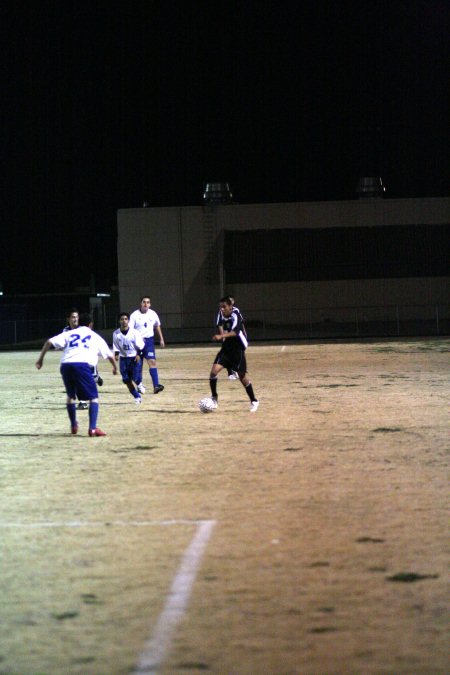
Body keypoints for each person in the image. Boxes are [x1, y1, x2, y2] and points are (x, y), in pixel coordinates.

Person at [35, 312, 117, 436]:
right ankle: (92, 429)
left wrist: (40, 360)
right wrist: (115, 368)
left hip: (66, 365)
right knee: (93, 397)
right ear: (91, 324)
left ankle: (73, 424)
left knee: (70, 396)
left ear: (79, 322)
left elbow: (48, 342)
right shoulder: (94, 336)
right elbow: (110, 355)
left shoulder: (69, 333)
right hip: (81, 365)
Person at [209, 296, 259, 412]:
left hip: (237, 350)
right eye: (220, 307)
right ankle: (214, 398)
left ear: (230, 306)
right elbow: (220, 325)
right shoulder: (221, 315)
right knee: (213, 372)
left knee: (242, 377)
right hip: (226, 349)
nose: (222, 309)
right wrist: (223, 338)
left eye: (224, 306)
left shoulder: (235, 315)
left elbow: (236, 331)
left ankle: (254, 400)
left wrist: (221, 336)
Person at [63, 308, 103, 409]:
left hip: (86, 358)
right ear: (68, 319)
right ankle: (82, 401)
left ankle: (96, 377)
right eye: (72, 317)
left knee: (90, 379)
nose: (75, 319)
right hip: (74, 360)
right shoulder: (66, 330)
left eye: (76, 317)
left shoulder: (83, 329)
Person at [129, 296, 165, 393]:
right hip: (137, 343)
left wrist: (161, 338)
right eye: (144, 302)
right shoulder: (134, 315)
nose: (146, 304)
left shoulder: (153, 314)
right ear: (140, 303)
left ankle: (156, 386)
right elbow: (130, 330)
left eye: (148, 302)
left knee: (152, 361)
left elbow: (157, 325)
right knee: (138, 365)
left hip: (149, 342)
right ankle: (139, 385)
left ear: (150, 304)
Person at [112, 312, 146, 404]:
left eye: (126, 319)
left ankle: (140, 384)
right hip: (123, 359)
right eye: (122, 319)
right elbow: (116, 345)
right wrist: (116, 354)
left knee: (135, 377)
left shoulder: (134, 332)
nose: (124, 321)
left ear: (128, 321)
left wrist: (138, 354)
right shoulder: (116, 333)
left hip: (134, 358)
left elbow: (141, 345)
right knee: (126, 380)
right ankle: (137, 397)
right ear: (119, 321)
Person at [216, 296, 247, 380]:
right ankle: (230, 373)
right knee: (227, 354)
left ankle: (236, 369)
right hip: (227, 335)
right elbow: (219, 324)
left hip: (236, 336)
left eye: (232, 300)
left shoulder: (236, 310)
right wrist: (223, 336)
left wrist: (244, 333)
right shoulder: (221, 311)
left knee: (237, 353)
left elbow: (241, 322)